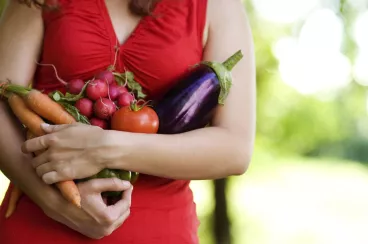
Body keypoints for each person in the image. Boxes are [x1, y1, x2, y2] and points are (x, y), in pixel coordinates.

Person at [0, 0, 256, 243]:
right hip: (38, 223)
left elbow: (234, 147)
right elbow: (1, 100)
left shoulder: (218, 5)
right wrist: (57, 205)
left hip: (159, 230)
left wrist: (105, 149)